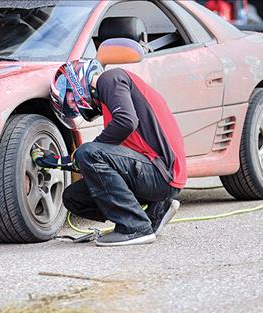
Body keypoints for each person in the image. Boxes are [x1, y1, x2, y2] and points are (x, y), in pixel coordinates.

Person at [32, 39, 186, 247]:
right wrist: (61, 161)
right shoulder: (113, 98)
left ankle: (135, 227)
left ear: (76, 85)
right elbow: (115, 161)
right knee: (73, 197)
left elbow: (126, 122)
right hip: (156, 173)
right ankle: (155, 212)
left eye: (71, 101)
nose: (78, 108)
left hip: (160, 172)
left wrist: (83, 154)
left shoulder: (110, 79)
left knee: (89, 153)